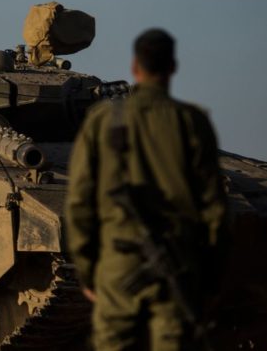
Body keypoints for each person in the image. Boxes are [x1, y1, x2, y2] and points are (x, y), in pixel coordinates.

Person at [65, 29, 227, 350]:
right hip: (180, 264)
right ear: (173, 67)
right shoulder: (192, 122)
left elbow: (78, 203)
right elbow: (215, 209)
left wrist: (86, 270)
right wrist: (209, 273)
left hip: (118, 265)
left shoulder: (102, 120)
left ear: (135, 67)